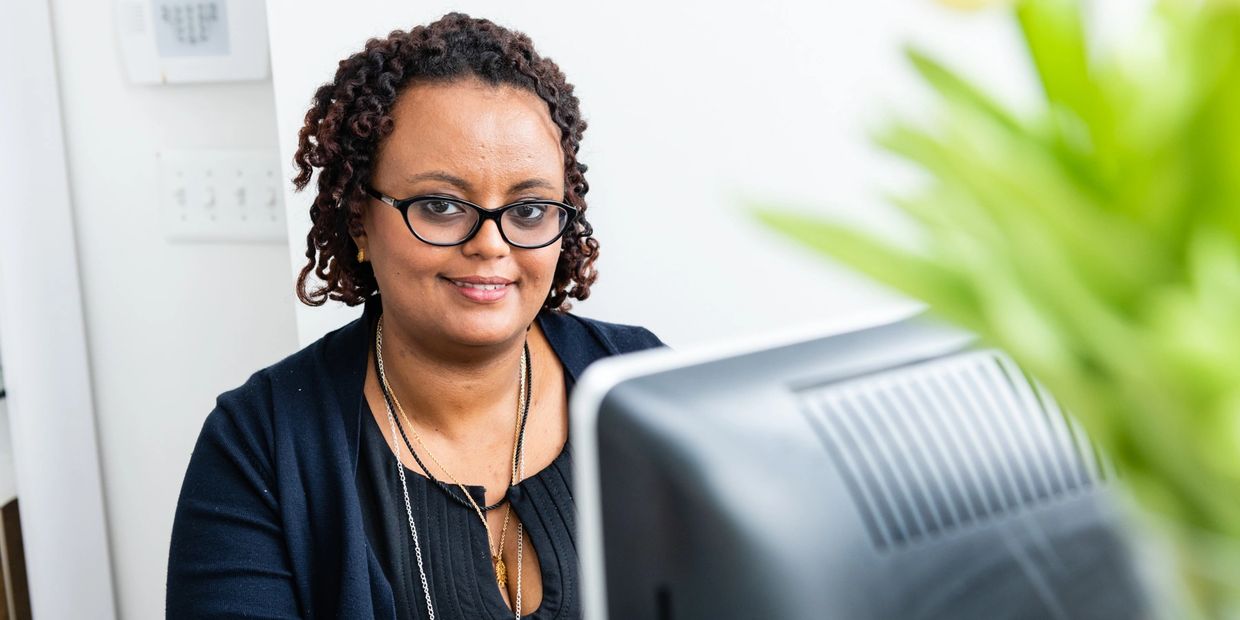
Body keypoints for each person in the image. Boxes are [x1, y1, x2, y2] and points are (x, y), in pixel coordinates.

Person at [166, 12, 666, 619]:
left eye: (529, 209)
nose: (491, 245)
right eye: (440, 205)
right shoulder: (260, 444)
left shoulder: (641, 385)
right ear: (360, 221)